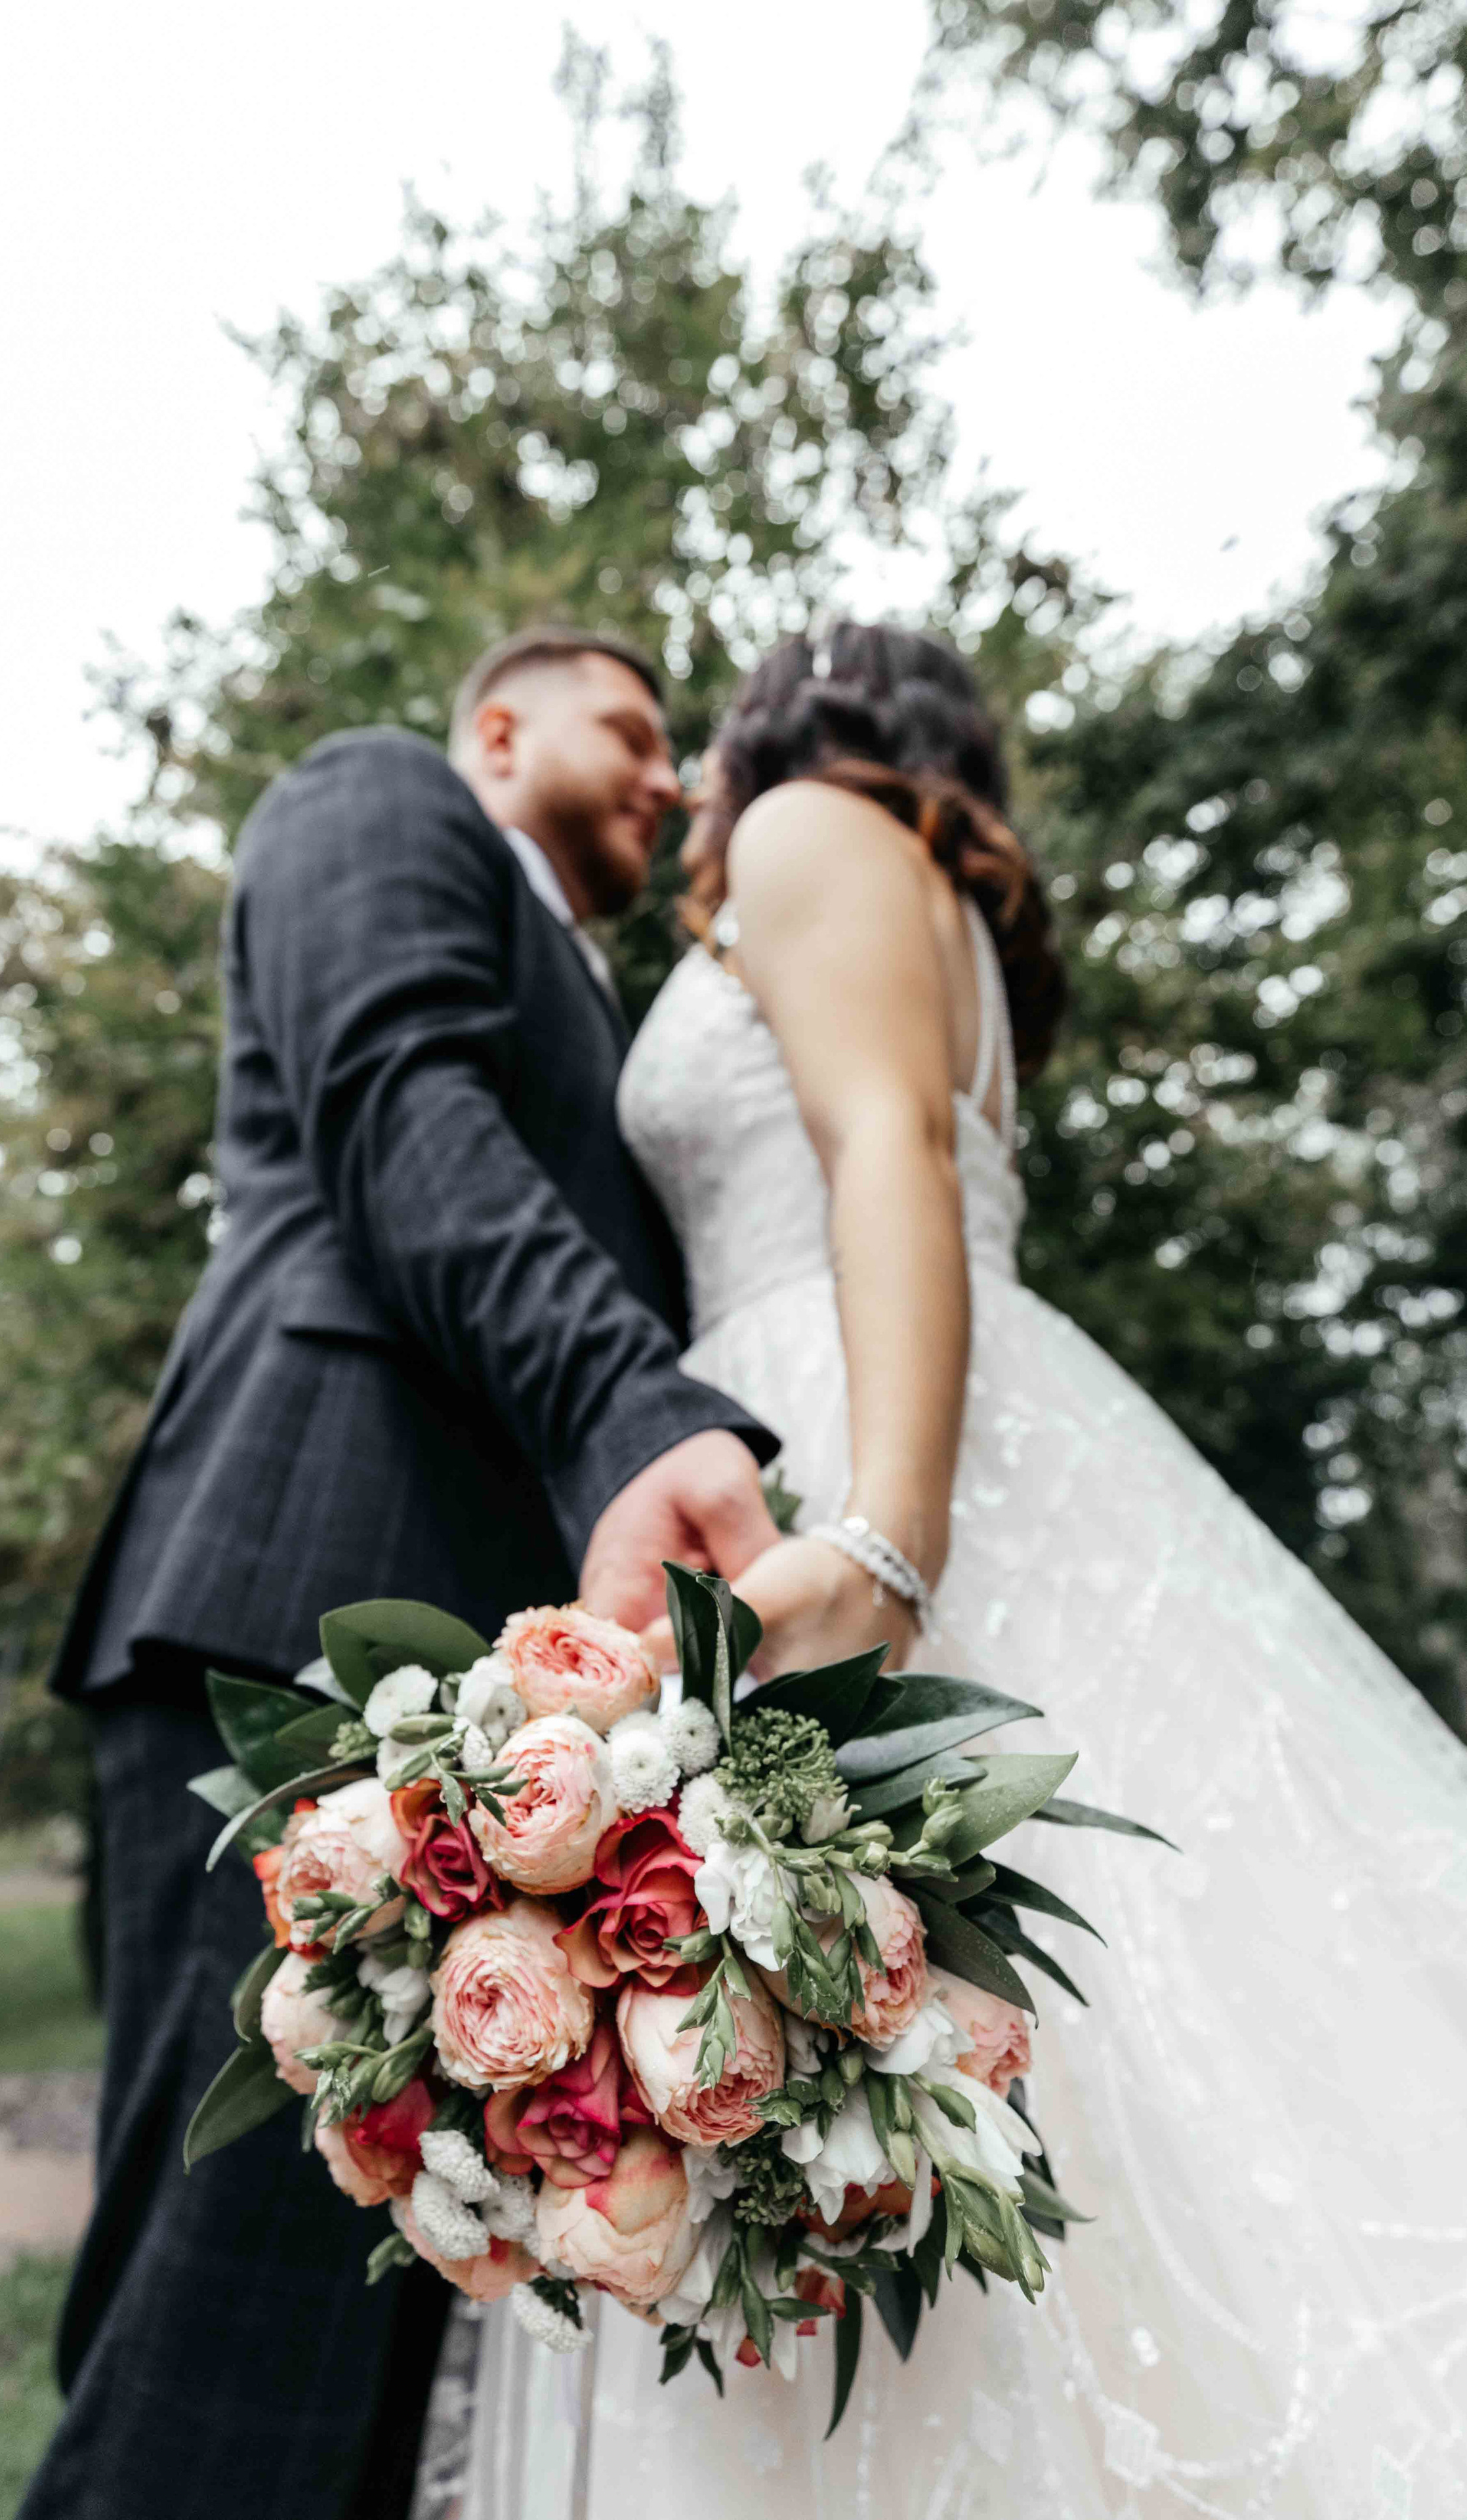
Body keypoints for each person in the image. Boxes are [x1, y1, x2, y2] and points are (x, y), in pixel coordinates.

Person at [457, 621, 1467, 2518]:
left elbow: (884, 1151)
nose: (682, 792)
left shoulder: (810, 835)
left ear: (782, 735)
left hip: (853, 1424)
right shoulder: (948, 912)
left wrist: (879, 1541)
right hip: (982, 1410)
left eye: (706, 743)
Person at [20, 625, 781, 2520]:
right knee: (228, 2349)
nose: (671, 776)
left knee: (363, 2376)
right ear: (498, 723)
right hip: (295, 1610)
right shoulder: (377, 794)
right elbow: (400, 1118)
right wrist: (630, 1402)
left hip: (472, 1705)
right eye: (632, 729)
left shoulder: (597, 1014)